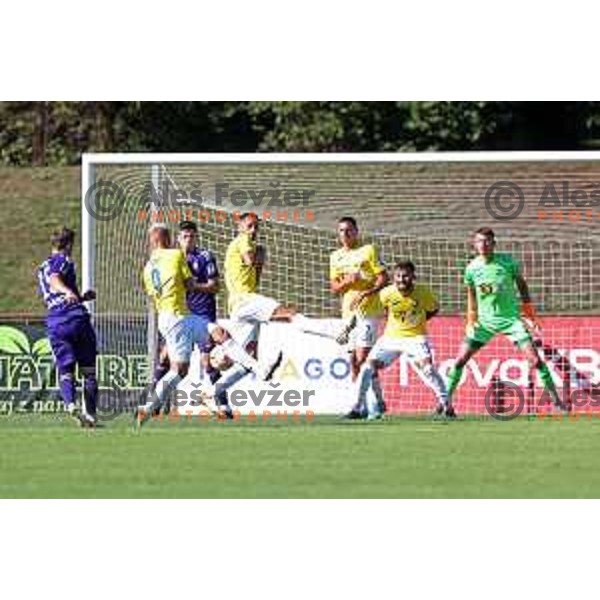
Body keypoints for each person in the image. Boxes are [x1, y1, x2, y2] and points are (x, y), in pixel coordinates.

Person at [139, 224, 278, 426]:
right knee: (214, 340)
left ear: (152, 241)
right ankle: (258, 370)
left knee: (182, 368)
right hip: (180, 317)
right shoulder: (176, 256)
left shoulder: (148, 267)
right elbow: (189, 285)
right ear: (168, 239)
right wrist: (196, 285)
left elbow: (156, 294)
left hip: (170, 317)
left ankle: (147, 409)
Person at [445, 227, 562, 410]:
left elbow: (522, 285)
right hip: (484, 322)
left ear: (494, 243)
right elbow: (471, 294)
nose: (483, 245)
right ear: (474, 245)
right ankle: (445, 402)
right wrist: (471, 319)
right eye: (479, 241)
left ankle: (557, 401)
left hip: (511, 320)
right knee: (460, 360)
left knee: (536, 361)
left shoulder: (507, 262)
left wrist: (529, 313)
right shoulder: (471, 268)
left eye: (487, 241)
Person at [355, 261, 451, 420]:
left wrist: (420, 321)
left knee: (428, 369)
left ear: (413, 277)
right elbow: (386, 310)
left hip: (416, 337)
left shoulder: (423, 292)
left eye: (405, 276)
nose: (401, 279)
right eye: (398, 276)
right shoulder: (387, 293)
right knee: (367, 367)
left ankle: (446, 404)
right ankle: (360, 407)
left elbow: (434, 309)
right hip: (391, 338)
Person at [37, 227, 98, 427]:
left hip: (55, 320)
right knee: (88, 370)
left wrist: (81, 296)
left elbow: (51, 288)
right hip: (75, 317)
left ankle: (71, 404)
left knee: (66, 369)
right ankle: (90, 416)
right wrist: (68, 293)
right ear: (69, 244)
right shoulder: (63, 259)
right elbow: (55, 279)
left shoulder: (41, 267)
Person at [329, 216, 388, 419]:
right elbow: (335, 288)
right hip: (348, 313)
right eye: (341, 231)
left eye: (349, 230)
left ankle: (360, 406)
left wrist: (367, 291)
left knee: (363, 359)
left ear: (356, 231)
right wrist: (348, 281)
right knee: (354, 361)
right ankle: (376, 404)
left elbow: (383, 277)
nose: (345, 234)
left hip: (369, 311)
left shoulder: (368, 250)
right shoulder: (335, 256)